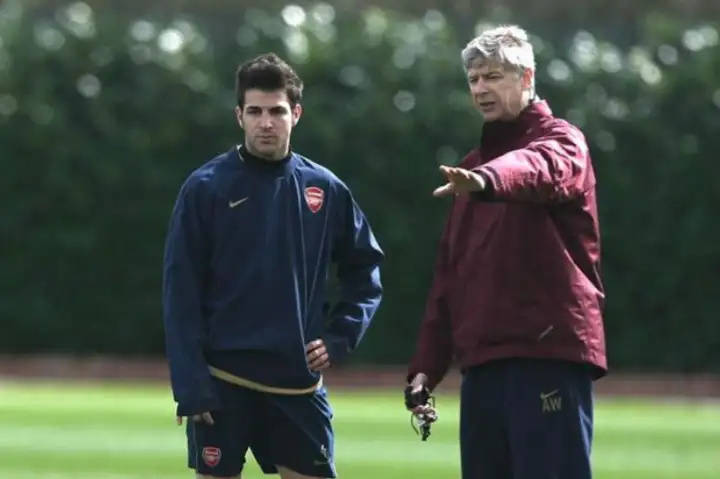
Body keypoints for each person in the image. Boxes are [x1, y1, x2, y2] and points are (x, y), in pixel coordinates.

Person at [163, 52, 383, 479]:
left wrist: (340, 336)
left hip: (297, 383)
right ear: (239, 116)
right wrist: (190, 385)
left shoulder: (325, 189)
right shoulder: (205, 188)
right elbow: (180, 291)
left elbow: (365, 271)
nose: (266, 122)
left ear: (295, 114)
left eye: (277, 111)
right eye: (255, 111)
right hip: (222, 381)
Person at [405, 25, 607, 479]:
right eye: (474, 79)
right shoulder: (470, 169)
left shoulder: (563, 141)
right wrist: (426, 367)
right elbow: (451, 276)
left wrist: (487, 180)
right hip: (483, 364)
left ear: (526, 77)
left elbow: (537, 166)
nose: (481, 88)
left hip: (546, 356)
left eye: (493, 76)